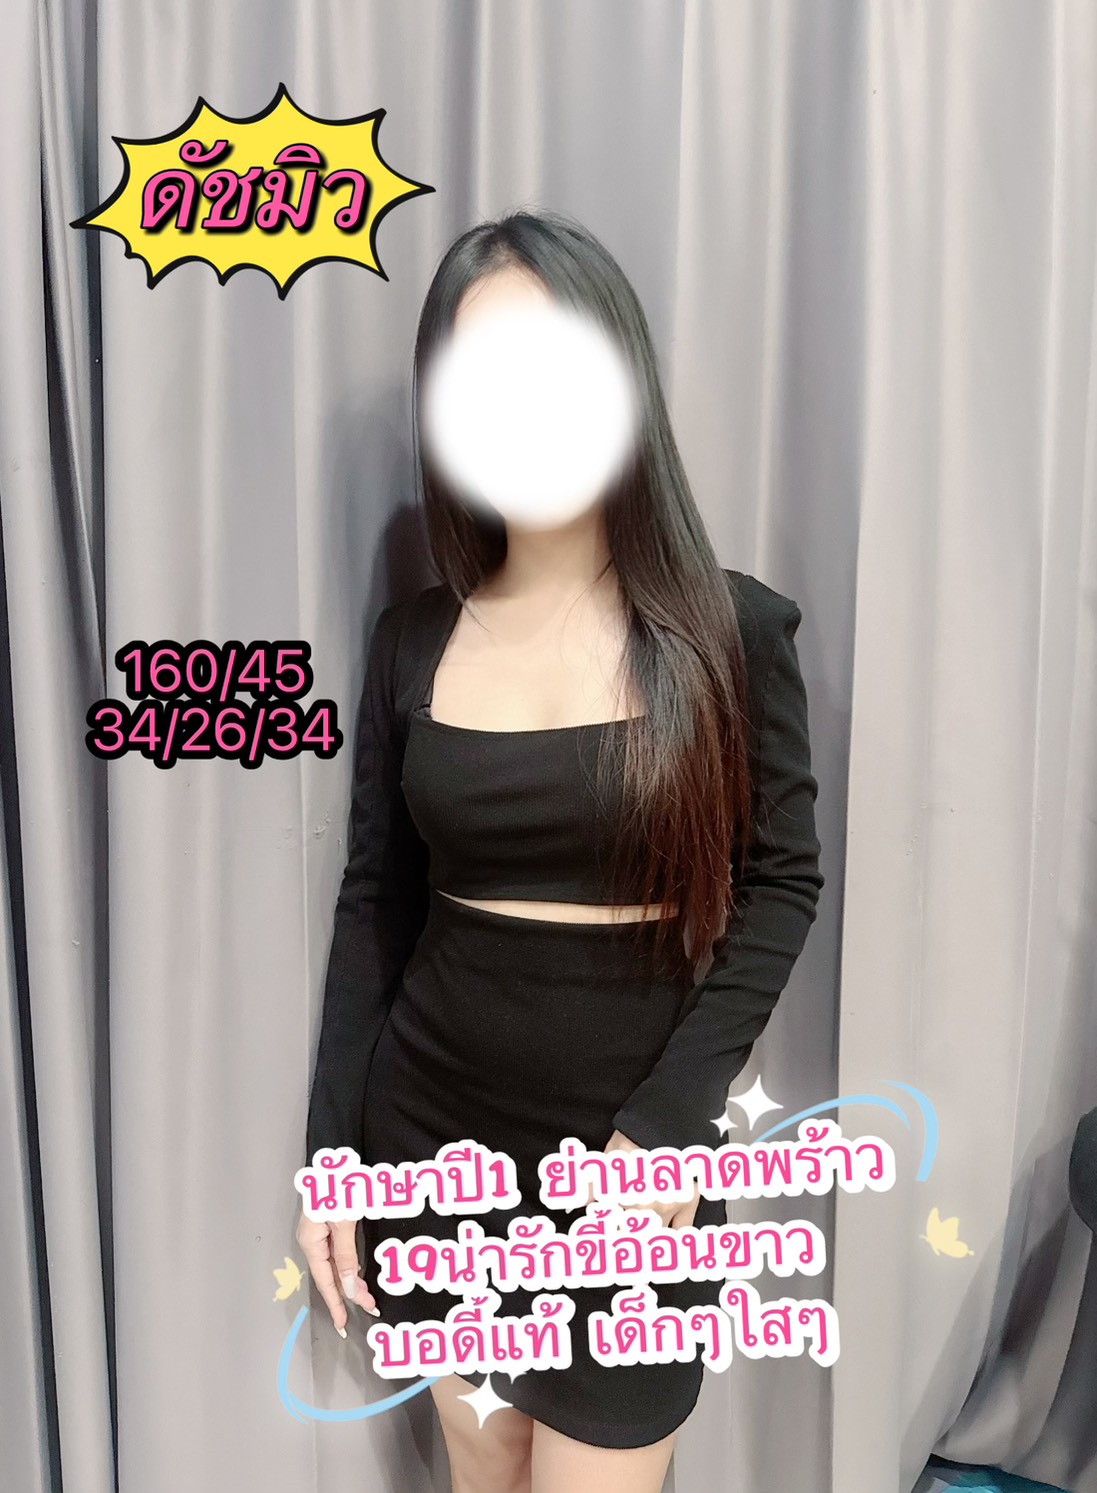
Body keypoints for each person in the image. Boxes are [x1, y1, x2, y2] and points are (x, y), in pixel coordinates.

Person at [298, 208, 825, 1493]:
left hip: (630, 1169)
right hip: (433, 1148)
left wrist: (669, 1122)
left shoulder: (730, 633)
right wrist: (333, 1157)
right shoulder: (413, 640)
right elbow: (376, 906)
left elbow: (781, 881)